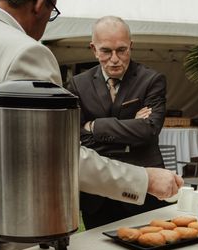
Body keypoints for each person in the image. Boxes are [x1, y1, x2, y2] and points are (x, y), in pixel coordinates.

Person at [0, 0, 183, 250]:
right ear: (41, 3)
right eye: (52, 13)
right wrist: (143, 180)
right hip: (2, 222)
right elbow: (57, 157)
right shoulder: (24, 52)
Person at [67, 16, 168, 229]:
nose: (114, 59)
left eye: (122, 50)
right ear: (94, 49)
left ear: (131, 46)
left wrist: (94, 126)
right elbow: (74, 136)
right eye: (106, 51)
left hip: (143, 187)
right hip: (97, 194)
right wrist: (130, 125)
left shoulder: (151, 80)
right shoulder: (78, 84)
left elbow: (148, 130)